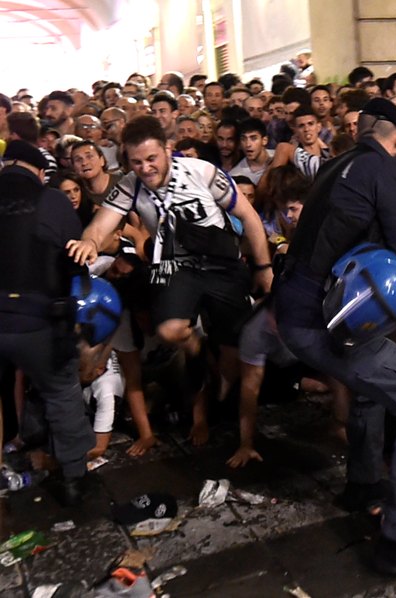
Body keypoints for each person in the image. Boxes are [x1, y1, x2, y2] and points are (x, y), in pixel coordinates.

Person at [273, 98, 396, 578]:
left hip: (295, 308)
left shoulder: (339, 163)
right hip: (324, 319)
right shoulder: (384, 171)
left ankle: (361, 485)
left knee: (371, 388)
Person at [67, 116, 273, 445]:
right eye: (136, 162)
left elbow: (248, 216)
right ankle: (196, 347)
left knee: (231, 361)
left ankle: (220, 392)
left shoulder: (201, 171)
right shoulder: (130, 185)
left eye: (151, 159)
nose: (146, 168)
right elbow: (102, 224)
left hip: (221, 263)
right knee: (169, 330)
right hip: (177, 266)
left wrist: (263, 267)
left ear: (167, 149)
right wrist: (89, 242)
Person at [1, 141, 95, 505]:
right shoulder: (52, 200)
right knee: (61, 393)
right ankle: (74, 478)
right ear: (40, 171)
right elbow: (75, 258)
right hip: (37, 322)